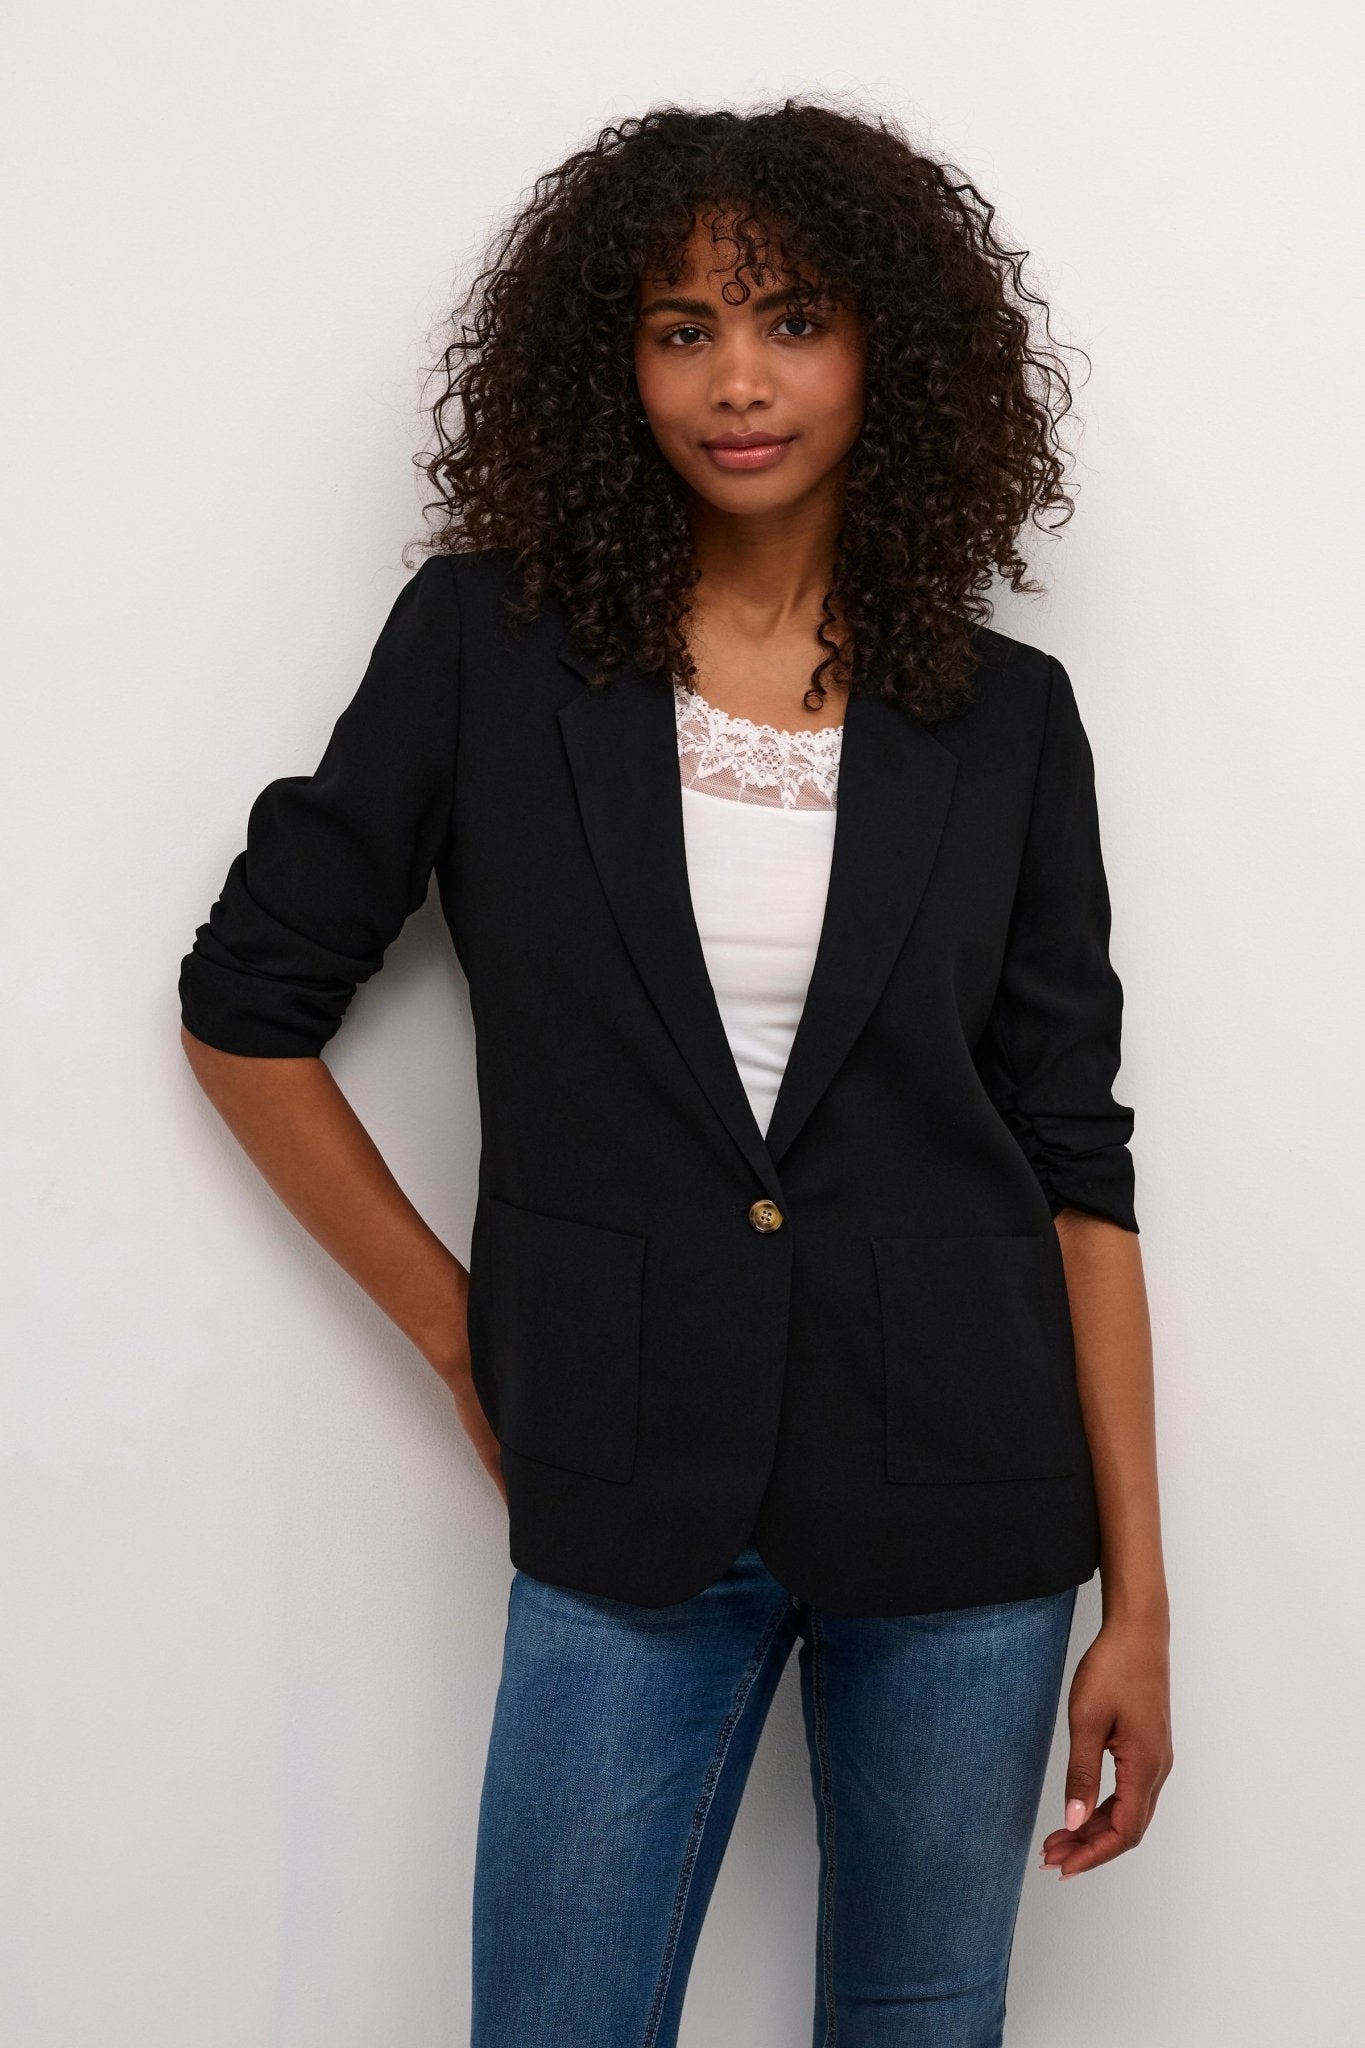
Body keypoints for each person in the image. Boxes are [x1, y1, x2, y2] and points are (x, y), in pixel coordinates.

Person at [178, 98, 1172, 2048]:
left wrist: (1138, 1601)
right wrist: (464, 1335)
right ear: (606, 360)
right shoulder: (482, 651)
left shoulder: (1004, 718)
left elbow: (1076, 1159)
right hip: (620, 1480)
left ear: (887, 351)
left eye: (792, 321)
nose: (737, 381)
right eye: (679, 327)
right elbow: (245, 1008)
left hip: (966, 1496)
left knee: (918, 2022)